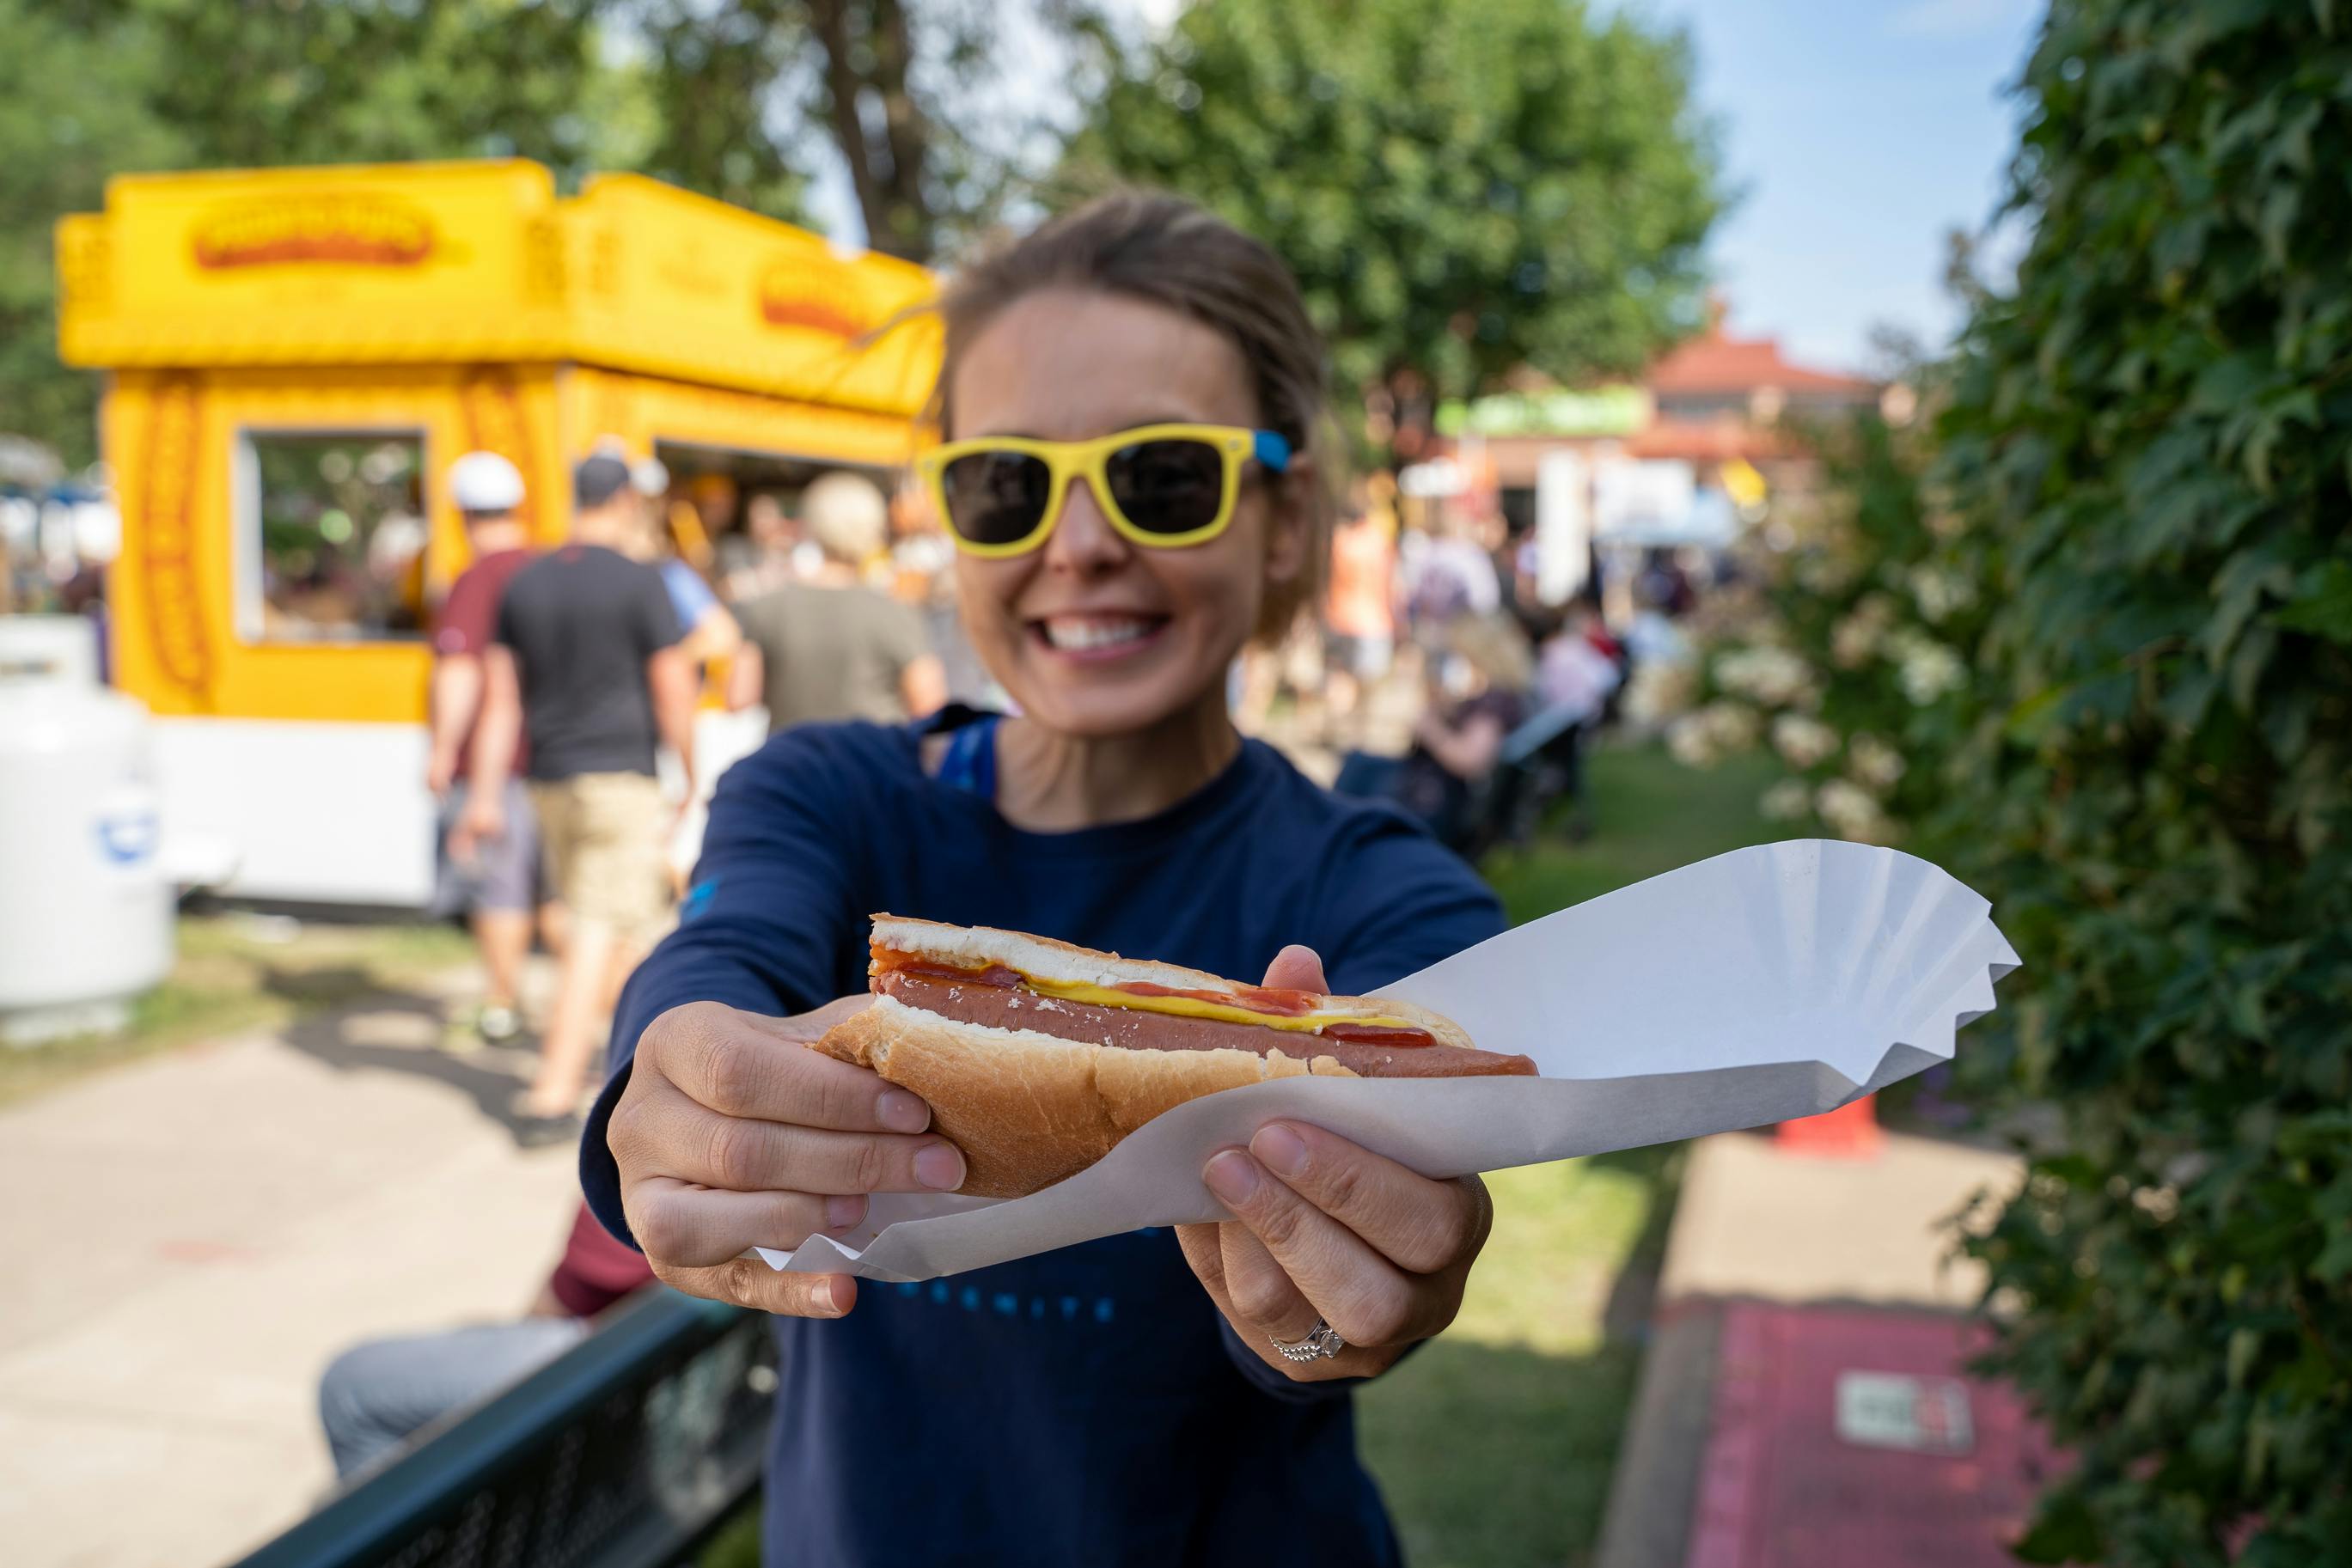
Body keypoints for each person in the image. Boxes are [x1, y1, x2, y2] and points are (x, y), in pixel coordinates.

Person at [588, 192, 1505, 1568]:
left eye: (1162, 476)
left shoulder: (1386, 893)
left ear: (1280, 517)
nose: (1076, 543)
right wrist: (665, 1097)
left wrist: (1326, 1319)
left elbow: (1372, 1284)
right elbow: (721, 963)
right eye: (1007, 484)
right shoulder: (827, 793)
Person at [463, 454, 694, 1146]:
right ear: (624, 499)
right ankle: (552, 1095)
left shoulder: (525, 581)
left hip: (548, 779)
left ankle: (631, 1065)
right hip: (618, 780)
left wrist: (483, 794)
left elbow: (500, 701)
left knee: (618, 923)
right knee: (597, 931)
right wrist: (690, 769)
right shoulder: (640, 581)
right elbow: (673, 684)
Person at [317, 1201, 654, 1477]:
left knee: (349, 1386)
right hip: (665, 1406)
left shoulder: (653, 1161)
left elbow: (552, 1310)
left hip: (618, 1402)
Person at [425, 452, 543, 1043]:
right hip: (553, 759)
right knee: (552, 894)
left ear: (461, 512)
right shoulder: (544, 566)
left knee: (498, 885)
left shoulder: (477, 578)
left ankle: (503, 1002)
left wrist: (443, 749)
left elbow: (461, 671)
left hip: (496, 764)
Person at [724, 471, 947, 733]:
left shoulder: (767, 607)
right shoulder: (896, 613)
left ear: (812, 524)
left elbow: (738, 697)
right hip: (872, 763)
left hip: (792, 761)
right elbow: (930, 707)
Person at [1335, 612, 1535, 850]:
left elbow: (1470, 759)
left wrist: (1431, 729)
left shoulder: (1493, 703)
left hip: (1435, 800)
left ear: (1477, 655)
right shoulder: (1498, 695)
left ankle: (1333, 838)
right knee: (1360, 764)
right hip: (1430, 787)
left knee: (1357, 774)